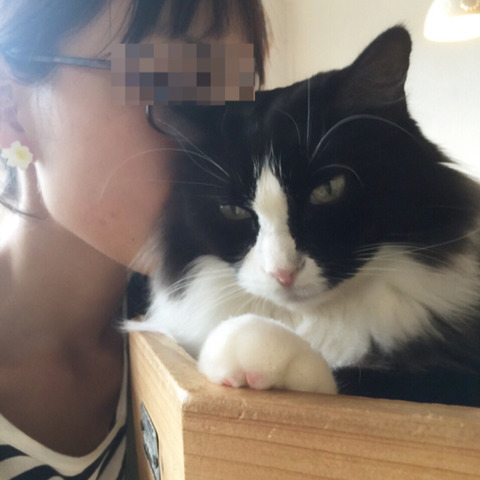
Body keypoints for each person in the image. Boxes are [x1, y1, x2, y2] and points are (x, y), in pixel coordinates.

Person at [0, 0, 269, 478]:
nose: (222, 148)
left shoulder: (211, 322)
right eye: (180, 84)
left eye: (240, 101)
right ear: (11, 107)